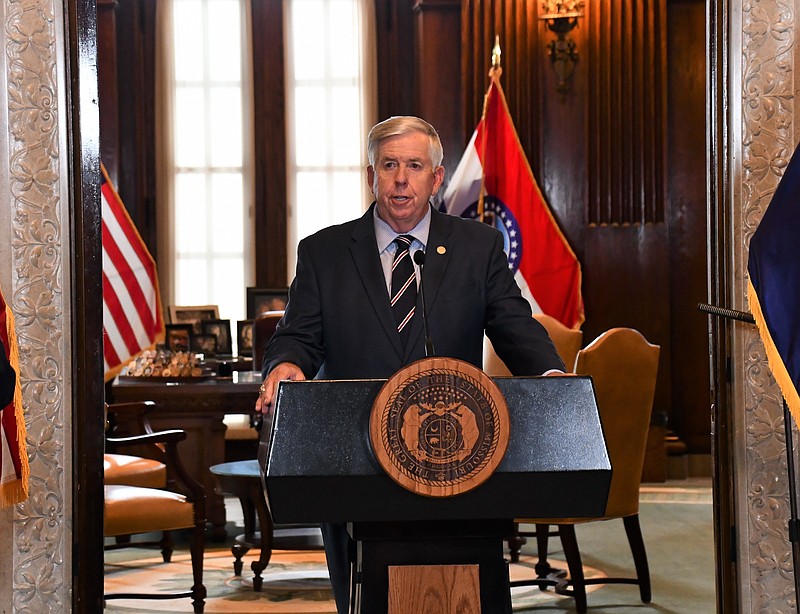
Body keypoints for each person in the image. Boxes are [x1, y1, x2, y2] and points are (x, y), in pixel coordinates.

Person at [256, 115, 564, 613]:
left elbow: (512, 323)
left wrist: (549, 374)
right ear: (371, 174)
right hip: (354, 453)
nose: (401, 179)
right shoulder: (324, 252)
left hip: (458, 453)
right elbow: (297, 336)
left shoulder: (476, 246)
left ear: (436, 178)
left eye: (415, 166)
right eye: (390, 165)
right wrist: (285, 365)